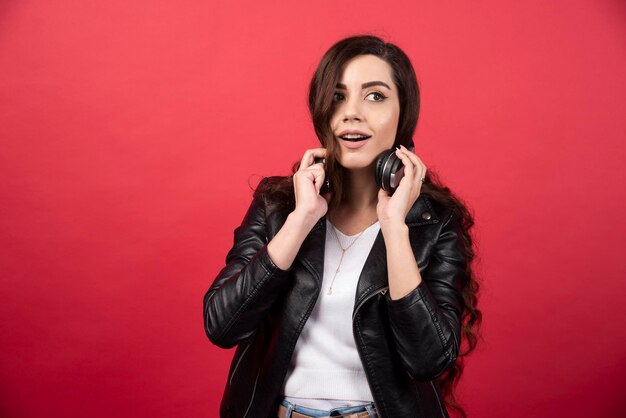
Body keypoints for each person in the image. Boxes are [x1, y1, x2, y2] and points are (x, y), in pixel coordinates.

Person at [204, 35, 481, 418]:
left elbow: (428, 359)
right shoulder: (278, 205)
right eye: (338, 96)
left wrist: (395, 227)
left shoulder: (435, 222)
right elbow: (222, 325)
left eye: (375, 96)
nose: (352, 112)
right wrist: (301, 220)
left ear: (404, 116)